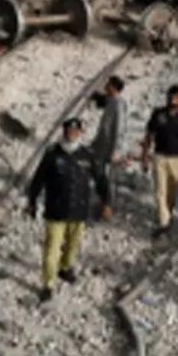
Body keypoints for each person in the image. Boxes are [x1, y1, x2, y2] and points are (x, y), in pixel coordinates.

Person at [28, 118, 98, 302]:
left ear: (81, 133)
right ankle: (48, 284)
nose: (72, 134)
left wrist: (106, 201)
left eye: (76, 132)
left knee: (73, 245)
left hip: (78, 211)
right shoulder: (52, 154)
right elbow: (38, 179)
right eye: (69, 131)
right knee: (52, 249)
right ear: (64, 132)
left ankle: (66, 267)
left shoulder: (87, 155)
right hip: (56, 211)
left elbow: (100, 178)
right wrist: (32, 201)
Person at [140, 85, 178, 236]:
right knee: (160, 191)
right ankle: (164, 223)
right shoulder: (158, 114)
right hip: (160, 157)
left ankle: (169, 214)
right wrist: (145, 157)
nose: (174, 100)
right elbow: (149, 136)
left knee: (173, 192)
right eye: (172, 97)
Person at [89, 75, 128, 220]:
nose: (105, 87)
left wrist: (116, 151)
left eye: (108, 85)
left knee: (108, 178)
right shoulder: (111, 101)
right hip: (101, 147)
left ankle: (107, 208)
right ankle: (103, 202)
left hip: (110, 149)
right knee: (98, 173)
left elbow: (119, 129)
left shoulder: (118, 105)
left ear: (113, 87)